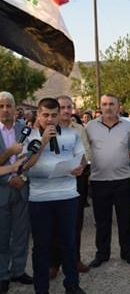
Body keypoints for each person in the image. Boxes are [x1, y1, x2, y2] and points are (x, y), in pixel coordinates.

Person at [24, 97, 86, 294]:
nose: (50, 119)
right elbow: (25, 166)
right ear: (38, 115)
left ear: (60, 115)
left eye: (53, 115)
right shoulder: (28, 137)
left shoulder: (72, 134)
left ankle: (72, 285)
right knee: (41, 247)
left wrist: (80, 168)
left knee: (68, 243)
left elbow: (82, 159)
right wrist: (42, 142)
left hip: (67, 196)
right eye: (45, 115)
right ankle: (41, 289)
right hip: (40, 199)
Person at [86, 94, 130, 268]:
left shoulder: (128, 126)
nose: (108, 107)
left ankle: (128, 253)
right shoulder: (90, 126)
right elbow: (86, 151)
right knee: (102, 221)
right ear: (100, 106)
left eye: (111, 104)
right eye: (104, 104)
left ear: (119, 106)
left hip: (123, 180)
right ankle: (102, 254)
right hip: (99, 180)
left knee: (126, 219)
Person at [48, 96, 91, 279]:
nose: (66, 110)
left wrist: (81, 166)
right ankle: (54, 263)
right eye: (62, 107)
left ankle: (74, 259)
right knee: (55, 224)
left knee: (75, 222)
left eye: (68, 107)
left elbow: (86, 152)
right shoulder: (48, 129)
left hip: (76, 178)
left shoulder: (79, 129)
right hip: (55, 180)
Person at [0, 92, 33, 294]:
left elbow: (32, 157)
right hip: (2, 189)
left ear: (15, 108)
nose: (5, 110)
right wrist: (9, 178)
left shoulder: (26, 129)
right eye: (1, 106)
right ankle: (3, 274)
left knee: (21, 234)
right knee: (2, 236)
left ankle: (18, 270)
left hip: (22, 189)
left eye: (8, 105)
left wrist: (24, 178)